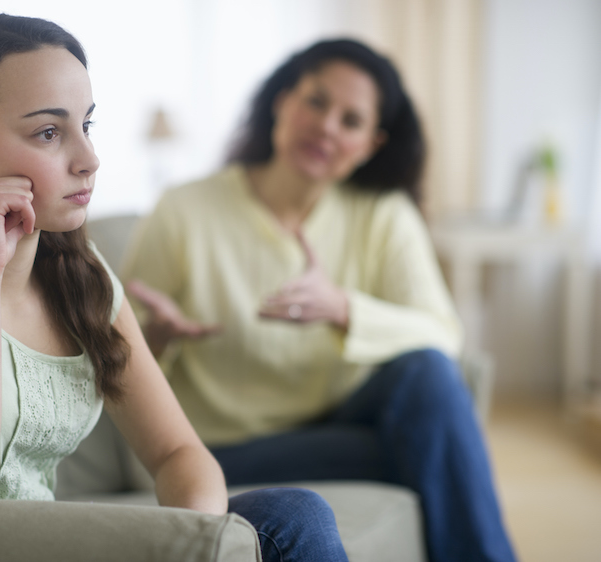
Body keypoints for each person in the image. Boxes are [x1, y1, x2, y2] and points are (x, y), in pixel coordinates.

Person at [0, 14, 348, 562]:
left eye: (87, 126)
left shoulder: (83, 278)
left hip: (44, 543)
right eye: (49, 132)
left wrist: (198, 541)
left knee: (292, 517)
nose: (89, 160)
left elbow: (178, 452)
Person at [124, 38, 517, 562]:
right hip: (224, 449)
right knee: (431, 448)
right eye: (316, 101)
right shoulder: (185, 209)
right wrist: (156, 336)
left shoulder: (383, 214)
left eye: (351, 120)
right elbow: (114, 356)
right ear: (284, 101)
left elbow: (443, 333)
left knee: (427, 372)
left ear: (371, 145)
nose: (328, 125)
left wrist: (343, 309)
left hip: (339, 420)